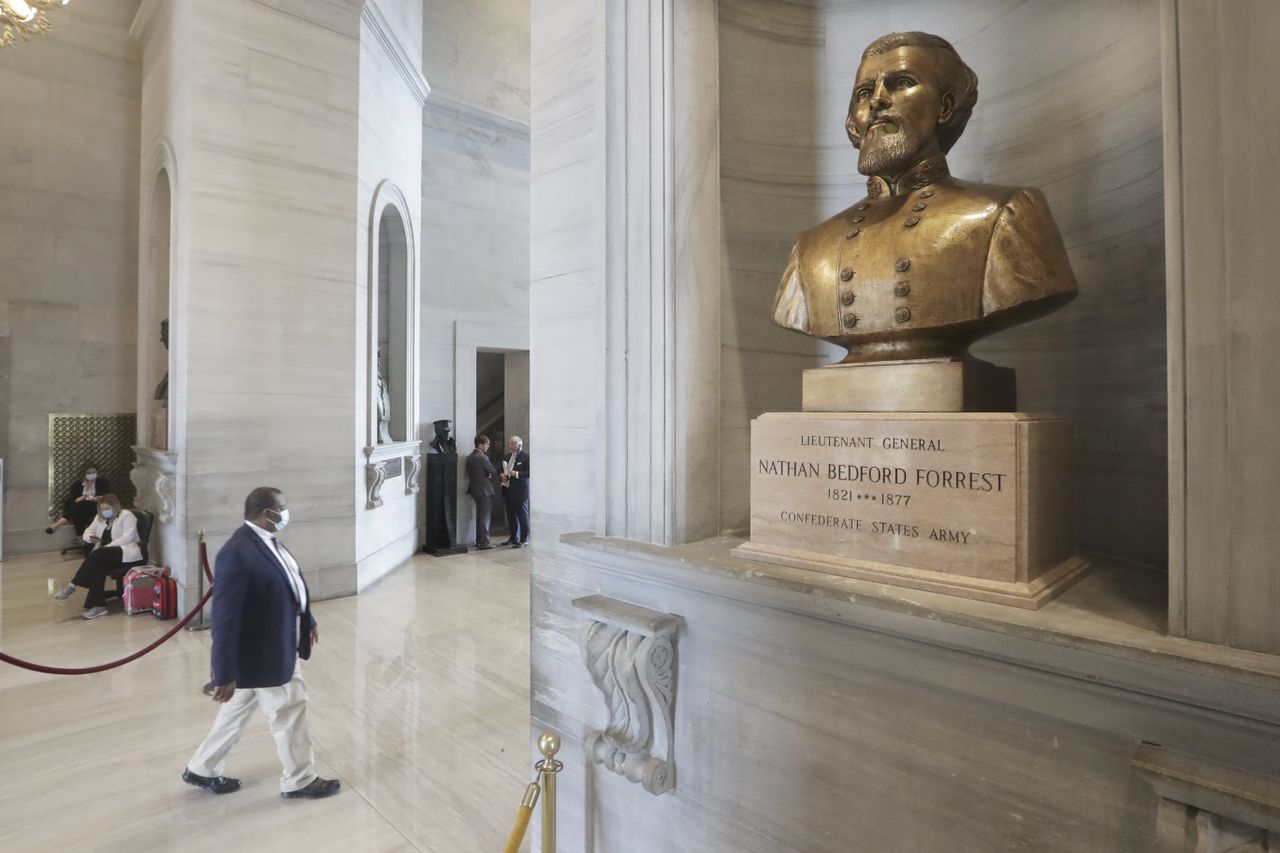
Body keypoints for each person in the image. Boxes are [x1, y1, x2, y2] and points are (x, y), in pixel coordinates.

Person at [772, 31, 1076, 364]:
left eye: (901, 82)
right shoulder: (811, 248)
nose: (877, 100)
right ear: (853, 124)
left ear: (944, 107)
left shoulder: (1002, 215)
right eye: (864, 92)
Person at [182, 487, 340, 800]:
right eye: (282, 507)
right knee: (290, 710)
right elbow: (224, 620)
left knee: (236, 711)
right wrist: (223, 672)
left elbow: (291, 584)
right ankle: (300, 780)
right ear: (267, 513)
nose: (286, 511)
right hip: (264, 653)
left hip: (276, 643)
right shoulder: (236, 553)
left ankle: (203, 767)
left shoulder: (267, 542)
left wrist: (308, 619)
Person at [51, 494, 142, 619]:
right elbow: (88, 532)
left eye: (107, 508)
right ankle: (99, 606)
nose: (105, 511)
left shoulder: (127, 516)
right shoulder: (100, 518)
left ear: (115, 506)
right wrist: (90, 538)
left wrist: (108, 546)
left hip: (124, 552)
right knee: (98, 568)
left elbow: (128, 537)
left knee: (97, 554)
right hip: (105, 555)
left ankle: (72, 585)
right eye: (102, 509)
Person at [46, 463, 111, 537]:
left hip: (97, 506)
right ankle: (82, 540)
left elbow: (106, 496)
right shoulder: (77, 484)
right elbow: (75, 500)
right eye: (88, 473)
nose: (91, 474)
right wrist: (84, 497)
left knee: (81, 505)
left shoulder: (102, 482)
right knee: (79, 513)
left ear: (97, 472)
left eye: (93, 472)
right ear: (84, 474)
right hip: (81, 507)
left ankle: (56, 525)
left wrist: (94, 498)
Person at [466, 434, 500, 550]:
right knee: (485, 517)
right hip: (485, 490)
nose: (488, 447)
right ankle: (484, 542)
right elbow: (493, 471)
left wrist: (486, 473)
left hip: (475, 490)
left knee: (479, 516)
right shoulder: (482, 457)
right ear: (480, 445)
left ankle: (479, 541)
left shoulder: (470, 457)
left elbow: (477, 473)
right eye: (486, 444)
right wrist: (488, 474)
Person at [500, 436, 530, 548]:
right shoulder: (507, 456)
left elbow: (529, 472)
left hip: (520, 492)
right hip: (508, 490)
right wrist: (501, 475)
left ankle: (524, 539)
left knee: (522, 516)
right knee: (511, 516)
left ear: (519, 445)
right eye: (510, 444)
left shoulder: (526, 457)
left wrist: (516, 474)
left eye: (513, 444)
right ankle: (513, 537)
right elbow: (501, 469)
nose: (511, 446)